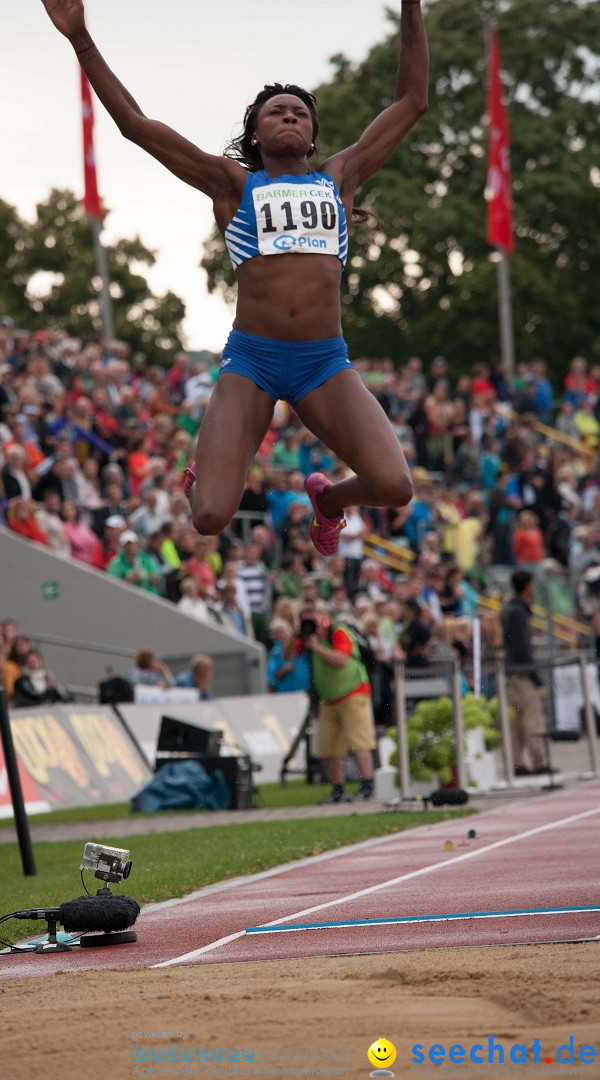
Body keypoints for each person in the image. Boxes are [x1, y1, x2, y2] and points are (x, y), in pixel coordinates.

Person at [40, 0, 425, 557]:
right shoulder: (232, 185)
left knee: (395, 486)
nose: (289, 115)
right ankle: (206, 474)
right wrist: (80, 40)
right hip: (253, 361)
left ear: (313, 133)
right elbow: (136, 126)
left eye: (298, 111)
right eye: (276, 112)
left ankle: (329, 503)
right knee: (211, 518)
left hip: (324, 362)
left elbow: (412, 100)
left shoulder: (339, 179)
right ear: (255, 136)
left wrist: (411, 8)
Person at [303, 612, 376, 803]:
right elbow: (288, 655)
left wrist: (316, 647)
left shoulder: (338, 632)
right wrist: (298, 635)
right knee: (330, 747)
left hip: (353, 693)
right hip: (329, 699)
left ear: (324, 620)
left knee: (359, 742)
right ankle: (338, 790)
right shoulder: (310, 638)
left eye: (314, 621)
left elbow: (340, 661)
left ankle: (368, 785)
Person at [501, 570, 548, 776]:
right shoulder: (519, 612)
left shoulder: (509, 609)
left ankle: (517, 762)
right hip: (522, 673)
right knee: (532, 719)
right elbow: (522, 647)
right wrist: (535, 676)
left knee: (516, 722)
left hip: (512, 673)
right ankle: (538, 761)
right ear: (527, 586)